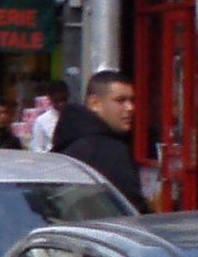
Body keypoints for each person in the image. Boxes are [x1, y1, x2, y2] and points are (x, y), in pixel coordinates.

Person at [53, 70, 149, 211]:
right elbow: (131, 208)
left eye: (131, 100)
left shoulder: (69, 140)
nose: (130, 108)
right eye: (121, 100)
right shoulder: (110, 151)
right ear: (95, 103)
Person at [29, 80, 68, 154]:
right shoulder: (41, 121)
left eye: (63, 100)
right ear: (50, 98)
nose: (61, 104)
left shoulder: (74, 117)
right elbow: (37, 147)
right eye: (57, 101)